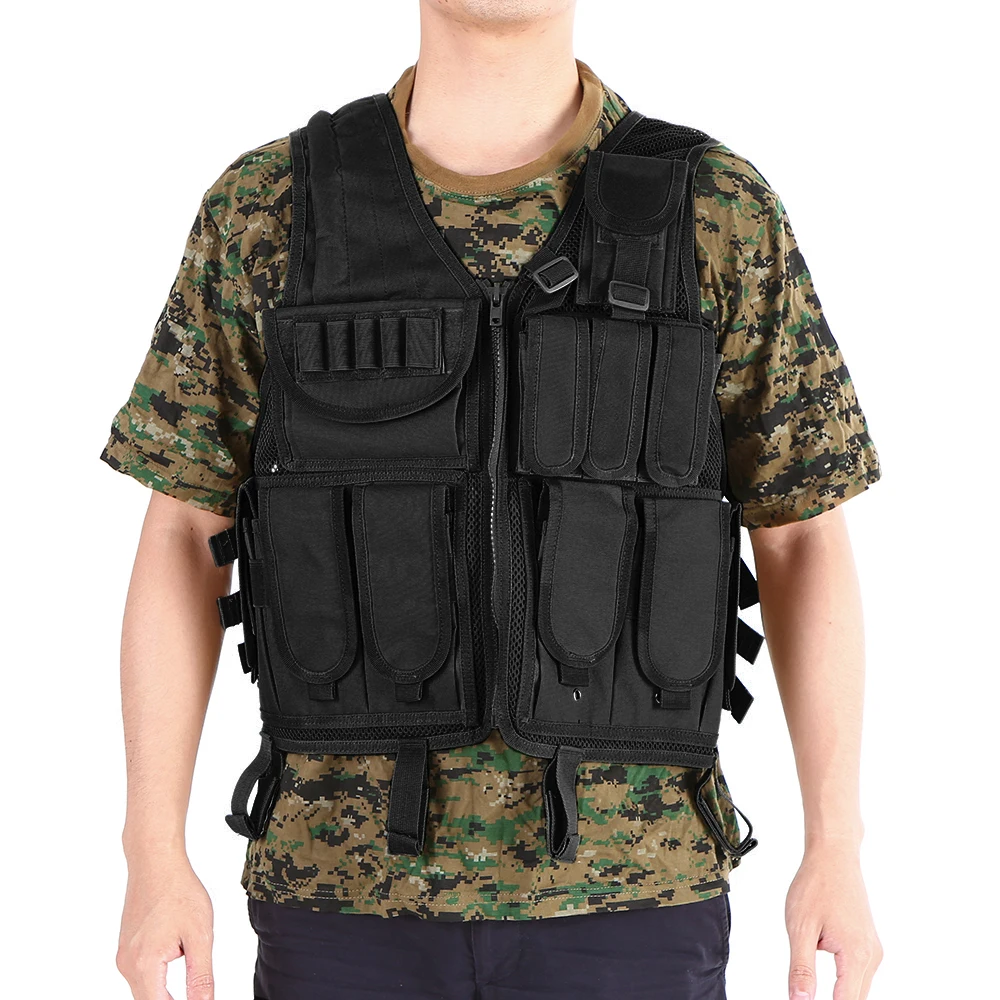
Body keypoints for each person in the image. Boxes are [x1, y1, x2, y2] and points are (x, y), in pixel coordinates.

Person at [104, 2, 883, 998]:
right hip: (340, 897)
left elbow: (801, 533)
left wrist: (836, 846)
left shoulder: (716, 211)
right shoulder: (270, 209)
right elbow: (183, 528)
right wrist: (151, 853)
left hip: (633, 902)